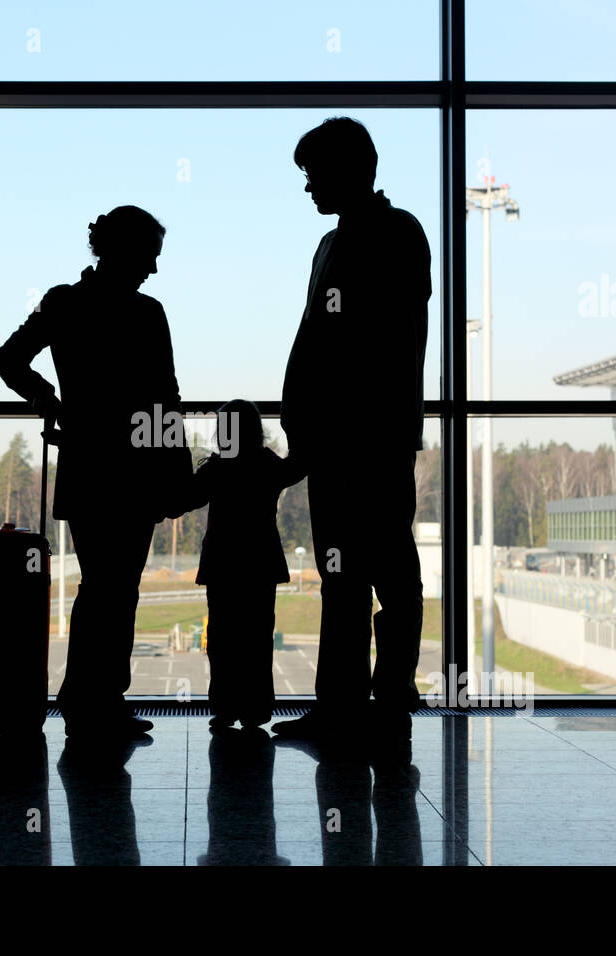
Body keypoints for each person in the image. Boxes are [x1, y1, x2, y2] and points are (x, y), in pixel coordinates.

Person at [0, 205, 192, 738]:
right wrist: (178, 469)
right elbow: (165, 400)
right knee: (116, 588)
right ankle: (97, 698)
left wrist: (51, 403)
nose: (152, 268)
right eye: (150, 255)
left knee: (101, 586)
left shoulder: (63, 304)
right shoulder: (148, 314)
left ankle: (89, 699)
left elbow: (9, 359)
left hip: (87, 467)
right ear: (126, 251)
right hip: (136, 472)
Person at [273, 117, 431, 744]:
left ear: (347, 170)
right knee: (344, 576)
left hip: (371, 436)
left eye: (313, 174)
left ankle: (388, 696)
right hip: (335, 438)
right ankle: (344, 704)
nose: (308, 187)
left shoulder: (395, 234)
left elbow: (367, 342)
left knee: (388, 572)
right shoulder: (334, 244)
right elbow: (320, 337)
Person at [181, 399, 304, 729]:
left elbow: (187, 497)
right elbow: (297, 466)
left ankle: (225, 705)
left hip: (223, 562)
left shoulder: (217, 468)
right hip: (259, 562)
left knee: (222, 638)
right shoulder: (267, 464)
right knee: (257, 638)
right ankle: (256, 707)